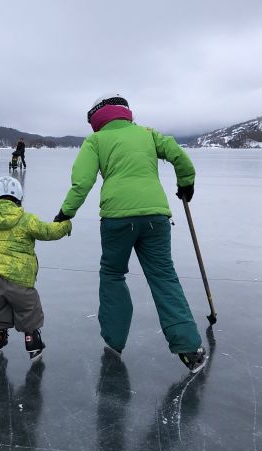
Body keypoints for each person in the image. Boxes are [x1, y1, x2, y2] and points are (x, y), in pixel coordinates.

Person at [53, 93, 208, 373]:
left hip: (116, 219)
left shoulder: (96, 141)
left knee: (112, 274)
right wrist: (186, 183)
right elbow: (178, 155)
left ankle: (114, 341)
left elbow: (82, 182)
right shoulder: (147, 134)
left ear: (96, 121)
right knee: (163, 276)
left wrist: (65, 213)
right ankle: (188, 348)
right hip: (155, 217)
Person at [0, 176, 71, 361]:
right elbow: (50, 231)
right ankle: (31, 340)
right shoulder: (27, 220)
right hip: (21, 283)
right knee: (29, 313)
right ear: (19, 197)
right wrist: (65, 223)